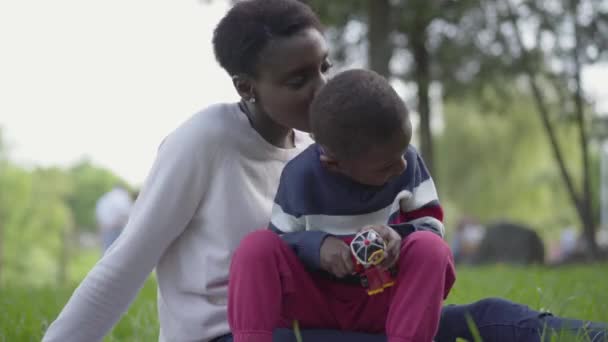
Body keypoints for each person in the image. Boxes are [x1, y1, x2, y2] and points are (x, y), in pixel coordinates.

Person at [43, 1, 607, 342]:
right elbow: (123, 265)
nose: (321, 89)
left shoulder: (326, 147)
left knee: (479, 318)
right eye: (297, 81)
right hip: (234, 331)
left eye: (324, 67)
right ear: (247, 88)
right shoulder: (204, 142)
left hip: (325, 317)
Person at [228, 69, 455, 342]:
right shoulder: (300, 177)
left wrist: (400, 237)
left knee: (431, 248)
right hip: (317, 305)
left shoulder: (406, 163)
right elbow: (281, 242)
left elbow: (430, 226)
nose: (402, 166)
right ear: (334, 163)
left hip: (386, 298)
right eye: (386, 165)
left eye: (403, 151)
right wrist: (317, 246)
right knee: (256, 247)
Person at [95, 184, 133, 253]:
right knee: (118, 252)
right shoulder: (121, 196)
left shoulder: (105, 198)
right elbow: (126, 211)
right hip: (117, 228)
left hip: (105, 229)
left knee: (107, 252)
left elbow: (99, 215)